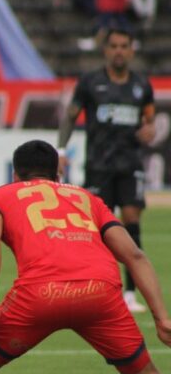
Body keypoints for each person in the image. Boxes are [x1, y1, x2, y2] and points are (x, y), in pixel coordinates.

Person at [0, 140, 171, 374]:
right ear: (57, 175)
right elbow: (134, 255)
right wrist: (161, 318)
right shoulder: (86, 198)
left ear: (15, 175)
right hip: (100, 293)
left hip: (41, 294)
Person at [57, 28, 156, 313]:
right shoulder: (90, 83)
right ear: (106, 50)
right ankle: (91, 286)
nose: (119, 51)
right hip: (98, 165)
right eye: (114, 46)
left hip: (130, 164)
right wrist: (61, 151)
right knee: (94, 228)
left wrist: (148, 130)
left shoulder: (141, 85)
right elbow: (70, 116)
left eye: (124, 46)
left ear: (132, 50)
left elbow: (149, 120)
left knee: (131, 221)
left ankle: (129, 292)